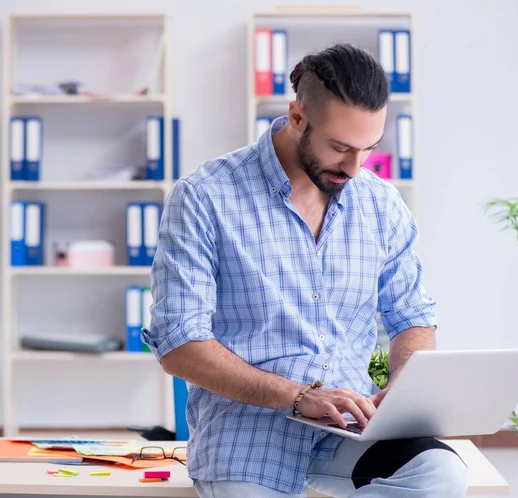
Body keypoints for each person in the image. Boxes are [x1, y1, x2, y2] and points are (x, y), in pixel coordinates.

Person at [143, 43, 468, 498]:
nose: (355, 168)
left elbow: (412, 316)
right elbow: (179, 343)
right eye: (340, 148)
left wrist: (402, 392)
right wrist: (297, 396)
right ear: (297, 117)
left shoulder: (380, 203)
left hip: (349, 431)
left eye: (368, 149)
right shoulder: (204, 196)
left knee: (441, 474)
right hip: (247, 435)